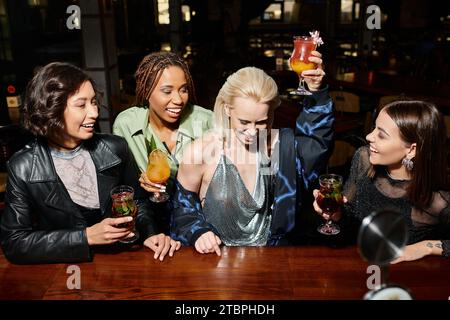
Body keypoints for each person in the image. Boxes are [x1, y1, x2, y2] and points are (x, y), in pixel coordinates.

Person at [0, 62, 180, 264]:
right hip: (66, 272)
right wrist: (85, 237)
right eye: (81, 104)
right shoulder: (23, 167)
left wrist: (150, 233)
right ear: (51, 109)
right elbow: (14, 243)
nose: (94, 112)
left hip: (124, 263)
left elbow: (138, 202)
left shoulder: (115, 148)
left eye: (94, 102)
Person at [171, 51, 334, 255]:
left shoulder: (278, 146)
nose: (252, 132)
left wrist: (316, 93)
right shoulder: (201, 151)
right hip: (218, 264)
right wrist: (197, 232)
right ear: (228, 109)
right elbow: (181, 210)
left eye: (261, 122)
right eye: (244, 122)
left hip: (271, 262)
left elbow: (315, 148)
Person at [313, 100, 450, 262]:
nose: (368, 136)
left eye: (382, 135)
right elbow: (349, 221)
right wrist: (337, 215)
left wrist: (425, 247)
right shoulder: (364, 159)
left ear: (412, 150)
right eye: (374, 128)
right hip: (356, 265)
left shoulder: (438, 199)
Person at [113, 51, 213, 232]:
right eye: (167, 91)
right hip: (150, 224)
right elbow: (119, 184)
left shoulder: (206, 122)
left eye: (183, 89)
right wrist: (139, 182)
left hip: (199, 222)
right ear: (147, 90)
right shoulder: (126, 125)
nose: (178, 100)